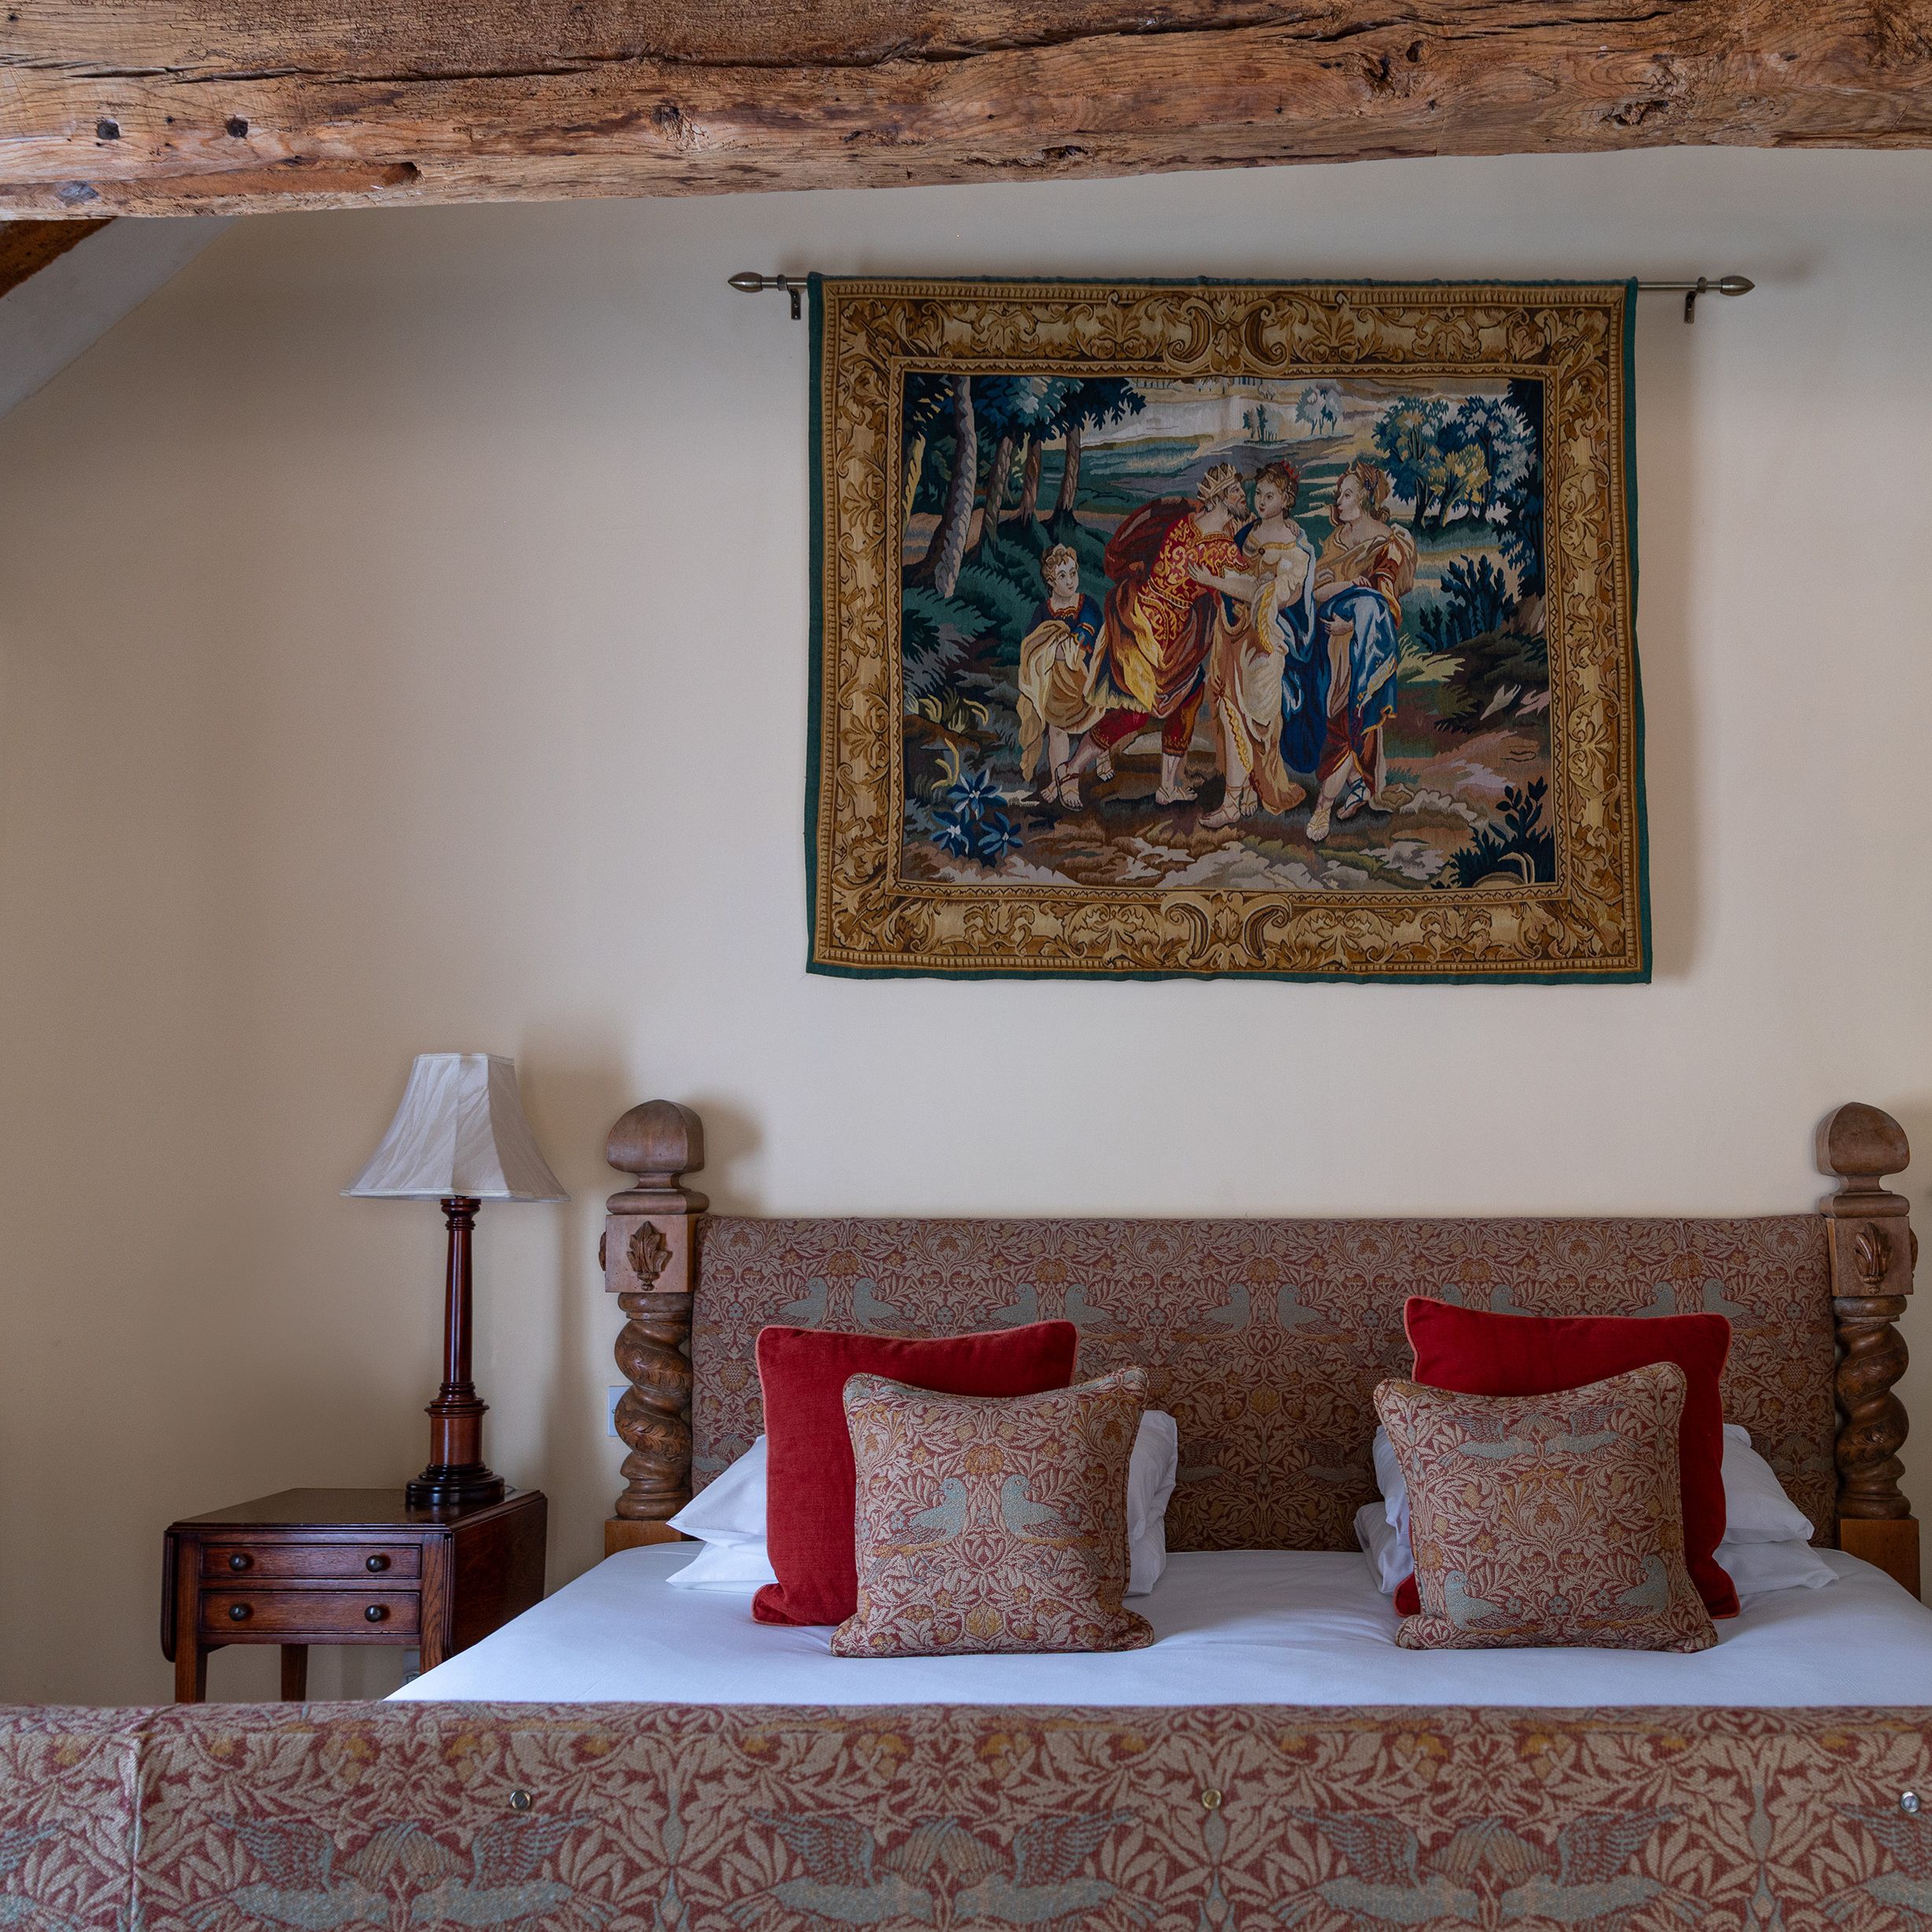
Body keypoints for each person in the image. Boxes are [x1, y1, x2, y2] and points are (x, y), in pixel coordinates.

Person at [1059, 463, 1251, 809]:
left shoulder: (1192, 523)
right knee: (1134, 712)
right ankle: (1071, 771)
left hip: (1160, 624)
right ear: (1222, 497)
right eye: (1237, 490)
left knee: (1189, 694)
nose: (1243, 496)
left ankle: (1166, 785)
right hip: (1149, 631)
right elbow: (1247, 584)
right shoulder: (1219, 545)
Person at [1292, 460, 1417, 842]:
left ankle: (1322, 809)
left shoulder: (1387, 542)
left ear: (1363, 497)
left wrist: (1354, 620)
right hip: (1329, 646)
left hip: (1364, 647)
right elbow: (1317, 588)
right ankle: (1361, 786)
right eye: (1338, 495)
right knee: (1330, 716)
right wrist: (1343, 588)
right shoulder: (1335, 541)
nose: (1338, 501)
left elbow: (1385, 605)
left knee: (1350, 722)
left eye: (1346, 494)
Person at [1198, 461, 1316, 830]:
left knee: (1259, 720)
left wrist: (1214, 581)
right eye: (1258, 494)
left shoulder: (1296, 550)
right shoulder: (1246, 533)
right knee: (1232, 709)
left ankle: (1253, 785)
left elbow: (1266, 595)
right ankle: (1234, 799)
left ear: (1286, 500)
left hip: (1266, 644)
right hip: (1235, 634)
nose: (1261, 501)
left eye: (1270, 495)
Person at [1015, 545, 1107, 805]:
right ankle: (1062, 783)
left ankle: (1102, 756)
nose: (1070, 581)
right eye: (1063, 576)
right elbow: (1033, 646)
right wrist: (1051, 650)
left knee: (1098, 716)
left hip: (1086, 674)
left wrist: (1069, 646)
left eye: (1073, 573)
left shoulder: (1086, 603)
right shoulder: (1043, 611)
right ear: (1050, 581)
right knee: (1056, 730)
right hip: (1056, 682)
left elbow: (1088, 631)